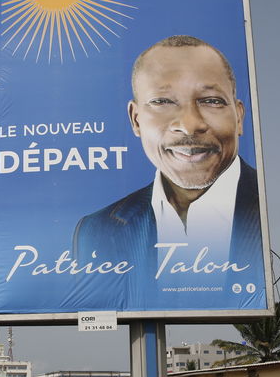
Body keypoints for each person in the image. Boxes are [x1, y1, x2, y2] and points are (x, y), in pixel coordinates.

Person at [73, 35, 263, 295]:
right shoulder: (98, 231)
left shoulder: (271, 209)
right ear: (136, 120)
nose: (189, 124)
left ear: (239, 117)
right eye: (162, 102)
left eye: (211, 101)